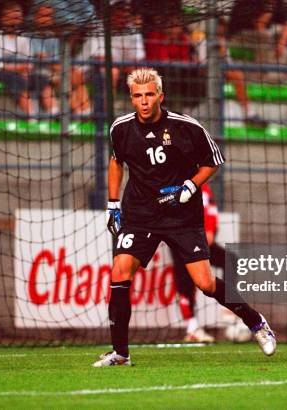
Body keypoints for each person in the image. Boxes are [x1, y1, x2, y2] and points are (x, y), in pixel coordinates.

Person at [94, 68, 276, 367]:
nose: (144, 101)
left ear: (160, 96)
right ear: (131, 99)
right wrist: (113, 205)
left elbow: (213, 162)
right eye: (138, 96)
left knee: (204, 283)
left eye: (149, 95)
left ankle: (256, 322)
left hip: (182, 216)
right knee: (119, 273)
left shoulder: (186, 127)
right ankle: (120, 354)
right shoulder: (120, 128)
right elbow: (116, 162)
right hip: (141, 214)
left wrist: (189, 186)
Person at [172, 183, 230, 343]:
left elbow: (209, 208)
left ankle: (228, 309)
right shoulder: (172, 181)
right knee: (185, 283)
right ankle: (192, 327)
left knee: (230, 261)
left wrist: (210, 230)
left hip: (199, 240)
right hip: (178, 238)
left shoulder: (200, 183)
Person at [0, 1, 57, 115]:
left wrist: (24, 70)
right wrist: (19, 69)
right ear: (4, 19)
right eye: (12, 17)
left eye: (18, 18)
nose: (15, 21)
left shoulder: (23, 38)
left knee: (42, 80)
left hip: (22, 73)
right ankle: (31, 116)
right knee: (17, 79)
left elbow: (29, 63)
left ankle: (54, 114)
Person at [30, 4, 91, 115]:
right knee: (66, 80)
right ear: (35, 17)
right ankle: (78, 113)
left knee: (79, 81)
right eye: (42, 16)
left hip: (55, 71)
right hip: (38, 72)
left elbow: (57, 60)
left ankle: (86, 112)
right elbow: (44, 59)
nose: (45, 19)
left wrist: (69, 70)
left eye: (48, 16)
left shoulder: (52, 36)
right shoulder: (31, 35)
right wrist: (68, 70)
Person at [76, 0, 145, 91]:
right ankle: (106, 105)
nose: (124, 13)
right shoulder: (98, 28)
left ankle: (146, 104)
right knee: (112, 72)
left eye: (126, 9)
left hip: (115, 68)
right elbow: (101, 59)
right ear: (110, 11)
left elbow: (138, 61)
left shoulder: (132, 31)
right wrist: (126, 66)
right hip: (83, 71)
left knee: (143, 74)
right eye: (119, 9)